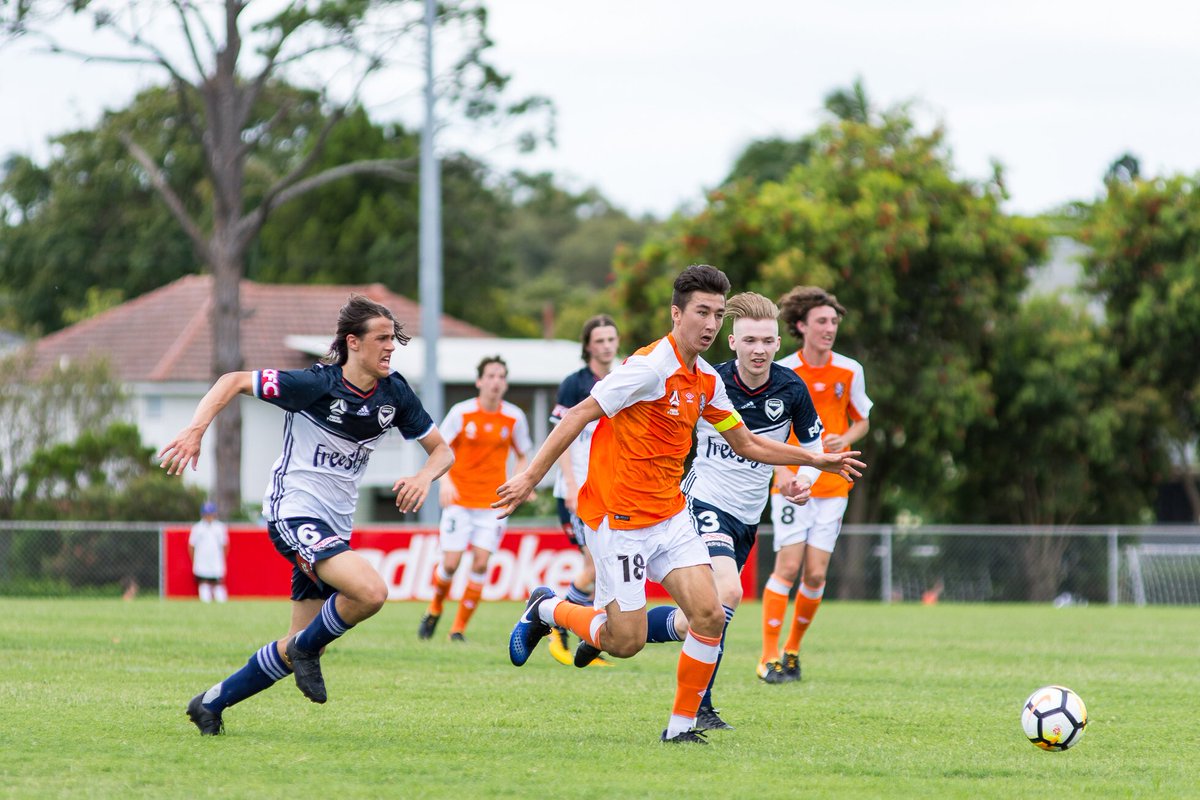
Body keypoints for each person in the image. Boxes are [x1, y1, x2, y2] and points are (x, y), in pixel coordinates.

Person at [494, 265, 865, 745]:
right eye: (701, 313)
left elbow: (748, 444)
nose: (710, 324)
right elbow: (582, 412)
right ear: (677, 314)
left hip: (670, 515)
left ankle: (681, 727)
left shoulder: (707, 379)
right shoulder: (648, 367)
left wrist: (815, 459)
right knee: (622, 642)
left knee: (709, 614)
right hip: (619, 517)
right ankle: (547, 608)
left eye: (716, 314)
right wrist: (529, 477)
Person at [161, 294, 454, 736]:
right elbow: (232, 380)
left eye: (393, 338)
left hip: (333, 527)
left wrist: (424, 477)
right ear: (353, 342)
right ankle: (305, 652)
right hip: (293, 512)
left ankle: (211, 703)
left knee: (296, 642)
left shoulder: (395, 394)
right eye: (382, 338)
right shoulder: (314, 385)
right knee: (371, 592)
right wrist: (195, 430)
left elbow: (443, 451)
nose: (391, 346)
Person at [592, 291, 823, 731]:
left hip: (749, 514)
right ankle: (698, 708)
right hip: (704, 501)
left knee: (702, 614)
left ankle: (612, 631)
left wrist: (800, 481)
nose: (759, 349)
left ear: (778, 345)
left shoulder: (792, 388)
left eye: (768, 341)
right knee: (729, 594)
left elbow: (811, 446)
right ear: (732, 342)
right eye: (750, 340)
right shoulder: (710, 381)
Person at [760, 286, 872, 684]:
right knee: (788, 566)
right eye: (822, 321)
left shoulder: (850, 370)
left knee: (815, 575)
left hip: (834, 486)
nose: (829, 328)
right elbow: (770, 431)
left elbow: (862, 419)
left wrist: (848, 438)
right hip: (794, 482)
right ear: (801, 325)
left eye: (834, 322)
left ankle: (792, 651)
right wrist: (783, 473)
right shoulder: (784, 371)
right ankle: (768, 656)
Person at [418, 356, 532, 642]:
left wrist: (518, 482)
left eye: (501, 376)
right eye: (491, 376)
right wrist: (444, 482)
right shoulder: (461, 413)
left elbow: (522, 456)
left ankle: (458, 630)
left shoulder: (514, 417)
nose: (496, 381)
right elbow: (439, 449)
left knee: (481, 564)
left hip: (492, 505)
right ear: (480, 381)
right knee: (451, 564)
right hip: (459, 501)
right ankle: (434, 608)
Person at [546, 314, 620, 668]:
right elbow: (560, 440)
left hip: (610, 491)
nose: (607, 345)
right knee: (593, 565)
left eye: (611, 339)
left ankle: (587, 639)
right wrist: (572, 486)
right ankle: (559, 624)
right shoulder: (574, 385)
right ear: (588, 346)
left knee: (604, 568)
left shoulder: (624, 379)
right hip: (576, 492)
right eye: (600, 340)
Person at [189, 501, 229, 603]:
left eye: (211, 514)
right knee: (203, 581)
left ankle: (221, 601)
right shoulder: (197, 528)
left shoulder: (220, 527)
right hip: (202, 559)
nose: (209, 516)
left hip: (215, 559)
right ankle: (205, 601)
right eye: (207, 514)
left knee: (218, 581)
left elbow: (225, 545)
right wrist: (194, 560)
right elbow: (191, 545)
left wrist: (222, 558)